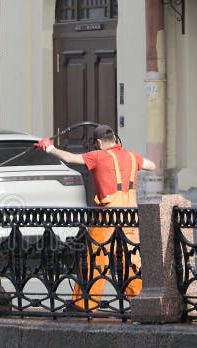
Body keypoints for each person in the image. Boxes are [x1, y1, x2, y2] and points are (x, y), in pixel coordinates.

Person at [35, 124, 156, 311]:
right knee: (130, 261)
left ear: (99, 142)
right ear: (115, 140)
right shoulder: (132, 157)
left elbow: (69, 158)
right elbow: (151, 165)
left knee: (95, 259)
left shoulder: (98, 156)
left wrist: (48, 147)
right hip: (130, 216)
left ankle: (84, 304)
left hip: (108, 216)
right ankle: (142, 304)